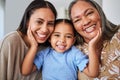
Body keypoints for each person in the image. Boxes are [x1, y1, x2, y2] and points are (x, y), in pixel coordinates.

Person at [21, 19, 100, 80]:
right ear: (49, 38)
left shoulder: (74, 53)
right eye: (57, 35)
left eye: (68, 36)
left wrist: (91, 47)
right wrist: (34, 46)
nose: (62, 40)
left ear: (73, 40)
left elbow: (93, 73)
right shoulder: (45, 54)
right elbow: (25, 71)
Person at [0, 0, 57, 80]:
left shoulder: (48, 49)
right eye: (39, 22)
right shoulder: (10, 41)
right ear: (27, 22)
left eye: (50, 23)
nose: (44, 29)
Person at [68, 0, 120, 80]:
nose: (86, 22)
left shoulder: (118, 36)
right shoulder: (73, 51)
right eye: (77, 20)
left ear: (99, 12)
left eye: (89, 13)